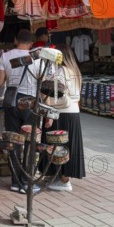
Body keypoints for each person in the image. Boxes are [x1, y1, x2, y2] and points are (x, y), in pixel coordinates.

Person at [0, 29, 41, 193]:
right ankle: (26, 183)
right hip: (30, 103)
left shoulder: (5, 56)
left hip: (12, 101)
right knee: (29, 142)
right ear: (31, 43)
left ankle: (15, 182)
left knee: (13, 141)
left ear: (16, 40)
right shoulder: (37, 59)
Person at [45, 43, 86, 191]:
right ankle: (64, 178)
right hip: (74, 113)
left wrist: (49, 113)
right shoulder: (75, 71)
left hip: (62, 113)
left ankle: (63, 180)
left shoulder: (61, 71)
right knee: (69, 145)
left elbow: (56, 96)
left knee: (60, 146)